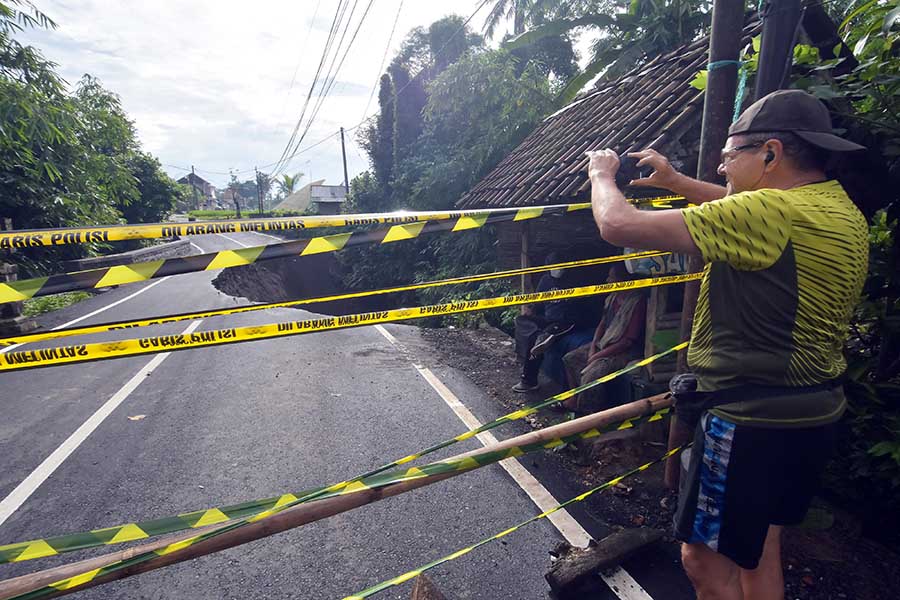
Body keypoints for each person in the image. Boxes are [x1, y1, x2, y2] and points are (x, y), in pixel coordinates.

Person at [586, 89, 868, 600]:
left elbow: (617, 224)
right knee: (760, 548)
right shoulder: (837, 209)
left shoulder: (769, 212)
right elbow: (738, 208)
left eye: (727, 157)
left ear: (771, 153)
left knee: (703, 562)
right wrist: (674, 182)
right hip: (813, 411)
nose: (721, 171)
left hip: (749, 418)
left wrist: (602, 175)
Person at [561, 264, 646, 412]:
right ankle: (576, 398)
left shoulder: (636, 302)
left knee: (591, 377)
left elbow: (627, 341)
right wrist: (594, 346)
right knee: (570, 358)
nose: (607, 281)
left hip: (623, 352)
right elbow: (602, 324)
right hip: (605, 344)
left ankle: (590, 414)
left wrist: (598, 356)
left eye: (611, 278)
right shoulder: (612, 299)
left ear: (621, 280)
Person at [512, 252, 597, 393]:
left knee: (537, 340)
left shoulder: (573, 281)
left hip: (566, 320)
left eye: (560, 266)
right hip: (548, 319)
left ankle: (528, 381)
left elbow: (582, 306)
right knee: (521, 320)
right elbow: (538, 303)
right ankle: (543, 336)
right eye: (554, 266)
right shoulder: (545, 280)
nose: (557, 269)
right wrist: (531, 311)